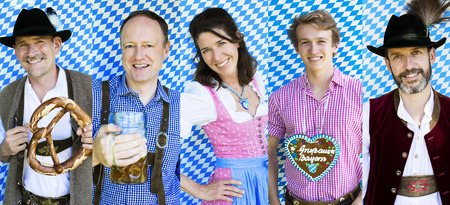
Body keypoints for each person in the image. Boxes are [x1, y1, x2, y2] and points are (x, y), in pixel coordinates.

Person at [268, 10, 362, 205]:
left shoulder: (360, 93)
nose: (313, 50)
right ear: (296, 47)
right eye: (305, 42)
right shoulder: (280, 98)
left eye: (321, 41)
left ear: (335, 45)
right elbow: (268, 154)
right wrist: (274, 202)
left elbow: (378, 154)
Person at [0, 8, 93, 205]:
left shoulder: (89, 88)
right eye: (23, 45)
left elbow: (110, 149)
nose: (31, 52)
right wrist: (5, 149)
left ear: (56, 45)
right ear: (15, 51)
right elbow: (2, 155)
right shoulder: (6, 96)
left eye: (39, 42)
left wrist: (98, 139)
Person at [363, 0, 450, 204]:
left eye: (416, 53)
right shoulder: (368, 113)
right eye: (398, 56)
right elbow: (357, 173)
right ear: (388, 64)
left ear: (432, 55)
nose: (408, 66)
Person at [179, 7, 268, 204]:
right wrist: (199, 190)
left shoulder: (256, 81)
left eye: (221, 43)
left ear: (237, 38)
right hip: (231, 193)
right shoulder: (202, 94)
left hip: (261, 185)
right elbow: (158, 153)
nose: (217, 57)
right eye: (206, 50)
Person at [91, 10, 180, 205]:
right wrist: (95, 155)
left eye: (148, 45)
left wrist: (201, 190)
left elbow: (173, 172)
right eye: (130, 46)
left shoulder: (181, 104)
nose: (138, 56)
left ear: (166, 50)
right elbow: (59, 167)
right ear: (122, 49)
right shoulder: (93, 95)